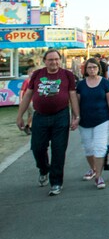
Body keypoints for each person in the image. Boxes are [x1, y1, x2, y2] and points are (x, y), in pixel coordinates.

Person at [15, 49, 79, 196]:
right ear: (44, 61)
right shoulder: (38, 74)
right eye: (50, 60)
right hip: (40, 117)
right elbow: (28, 95)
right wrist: (20, 116)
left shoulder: (67, 75)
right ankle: (44, 169)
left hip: (61, 116)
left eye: (56, 59)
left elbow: (72, 96)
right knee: (37, 147)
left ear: (60, 60)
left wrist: (76, 116)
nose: (54, 62)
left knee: (58, 150)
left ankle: (56, 182)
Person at [76, 58, 109, 189]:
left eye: (94, 67)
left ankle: (99, 176)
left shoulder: (105, 83)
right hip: (85, 120)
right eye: (89, 68)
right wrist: (75, 118)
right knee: (88, 147)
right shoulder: (81, 85)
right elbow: (76, 103)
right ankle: (93, 169)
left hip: (103, 119)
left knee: (100, 147)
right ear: (85, 70)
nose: (92, 70)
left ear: (98, 68)